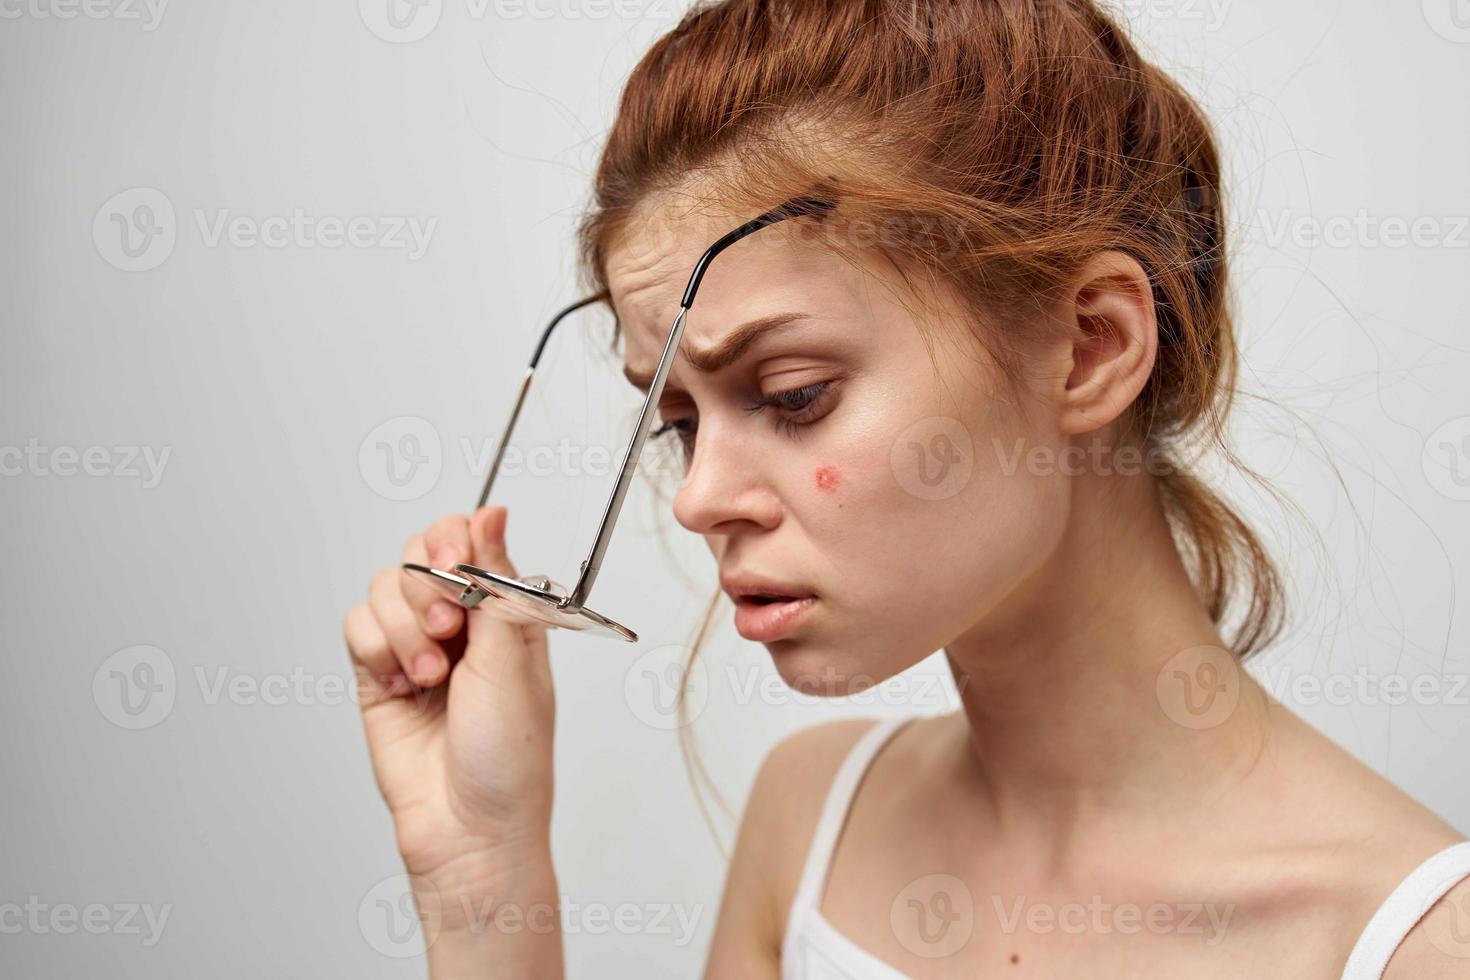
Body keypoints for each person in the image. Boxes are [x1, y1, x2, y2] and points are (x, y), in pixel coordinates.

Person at [342, 1, 1470, 976]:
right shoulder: (812, 823)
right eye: (677, 422)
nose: (697, 501)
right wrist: (483, 888)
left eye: (791, 395)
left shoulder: (1405, 940)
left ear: (1087, 347)